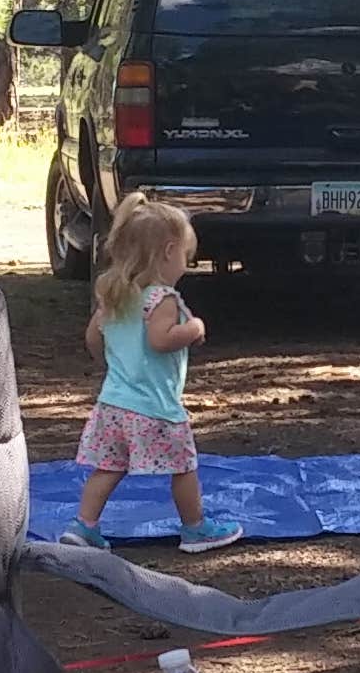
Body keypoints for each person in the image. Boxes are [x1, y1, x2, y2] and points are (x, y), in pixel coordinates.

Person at [68, 192, 241, 551]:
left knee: (109, 467)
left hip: (113, 404)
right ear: (168, 251)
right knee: (183, 466)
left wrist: (114, 365)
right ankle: (195, 528)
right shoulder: (161, 298)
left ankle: (84, 525)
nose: (186, 264)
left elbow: (92, 338)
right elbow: (161, 340)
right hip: (155, 407)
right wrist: (194, 328)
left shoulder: (115, 295)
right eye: (185, 256)